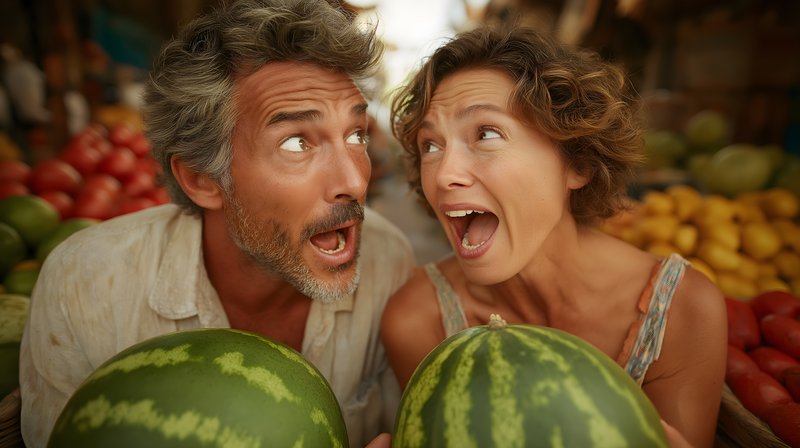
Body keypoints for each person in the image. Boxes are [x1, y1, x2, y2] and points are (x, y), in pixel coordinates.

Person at [19, 1, 415, 447]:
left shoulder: (390, 261)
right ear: (202, 179)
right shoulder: (82, 286)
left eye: (356, 134)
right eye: (297, 141)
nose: (354, 180)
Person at [383, 25, 726, 448]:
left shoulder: (681, 312)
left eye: (486, 134)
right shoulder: (417, 320)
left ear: (577, 163)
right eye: (430, 146)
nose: (443, 173)